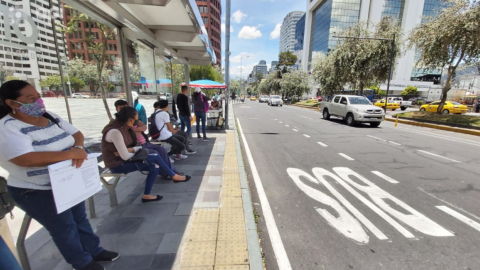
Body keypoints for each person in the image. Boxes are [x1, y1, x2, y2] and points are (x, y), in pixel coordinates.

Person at [0, 80, 118, 270]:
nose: (38, 101)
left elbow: (77, 134)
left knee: (79, 219)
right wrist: (70, 154)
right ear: (12, 103)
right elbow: (24, 159)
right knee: (64, 228)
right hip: (36, 190)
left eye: (38, 96)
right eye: (31, 99)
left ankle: (94, 250)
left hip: (67, 182)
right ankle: (82, 263)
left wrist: (78, 148)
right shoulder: (7, 128)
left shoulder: (50, 117)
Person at [102, 107, 190, 202]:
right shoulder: (115, 132)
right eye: (136, 119)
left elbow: (131, 149)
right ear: (130, 119)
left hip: (125, 160)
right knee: (155, 156)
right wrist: (135, 150)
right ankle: (174, 176)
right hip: (118, 165)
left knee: (155, 166)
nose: (137, 121)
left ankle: (146, 195)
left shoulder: (125, 128)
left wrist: (132, 149)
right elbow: (125, 156)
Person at [113, 100, 180, 177]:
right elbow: (126, 136)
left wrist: (134, 130)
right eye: (121, 108)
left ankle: (172, 171)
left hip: (145, 142)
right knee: (156, 154)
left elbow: (144, 127)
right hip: (137, 146)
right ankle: (168, 174)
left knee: (161, 150)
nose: (123, 110)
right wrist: (136, 130)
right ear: (116, 110)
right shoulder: (118, 123)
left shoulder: (133, 119)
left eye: (125, 107)